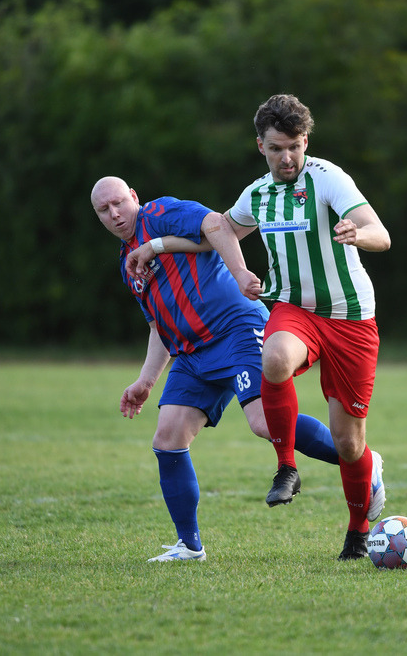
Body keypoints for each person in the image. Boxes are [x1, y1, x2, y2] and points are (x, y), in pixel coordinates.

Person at [130, 94, 390, 560]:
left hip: (351, 319)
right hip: (295, 311)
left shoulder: (328, 179)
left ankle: (357, 529)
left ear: (305, 141)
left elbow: (380, 233)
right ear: (261, 146)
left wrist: (358, 235)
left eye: (294, 146)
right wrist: (159, 246)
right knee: (274, 357)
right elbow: (219, 231)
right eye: (276, 148)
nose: (286, 157)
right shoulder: (258, 195)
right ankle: (286, 467)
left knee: (350, 446)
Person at [90, 175, 342, 563]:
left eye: (119, 202)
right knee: (168, 437)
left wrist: (241, 272)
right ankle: (189, 546)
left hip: (236, 329)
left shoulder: (159, 213)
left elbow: (215, 224)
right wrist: (146, 379)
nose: (115, 213)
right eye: (104, 210)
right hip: (192, 354)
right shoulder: (129, 265)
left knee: (262, 423)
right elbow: (159, 325)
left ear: (134, 197)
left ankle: (359, 459)